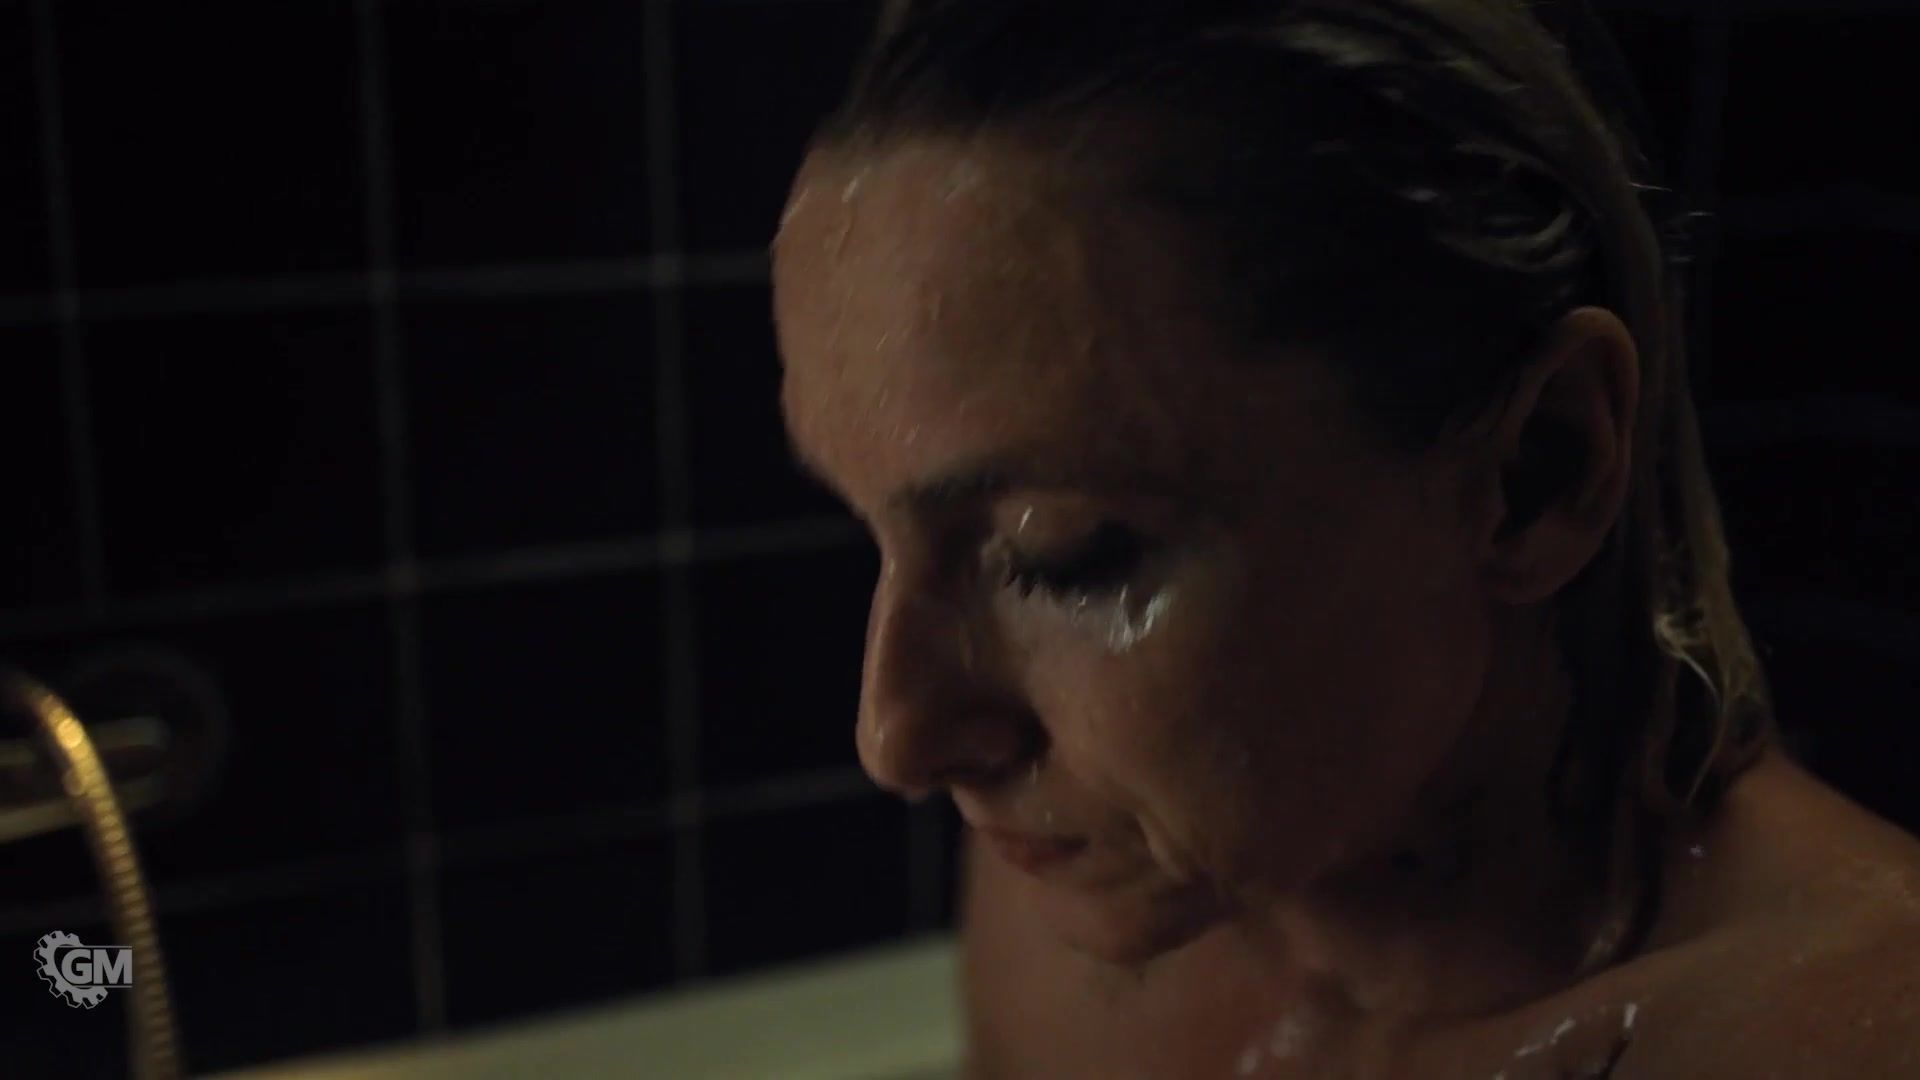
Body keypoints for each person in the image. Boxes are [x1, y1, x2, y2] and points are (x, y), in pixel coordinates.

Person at [769, 1, 1920, 1075]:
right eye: (872, 528)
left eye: (1064, 554)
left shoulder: (1847, 1036)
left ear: (1539, 472)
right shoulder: (1083, 900)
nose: (899, 736)